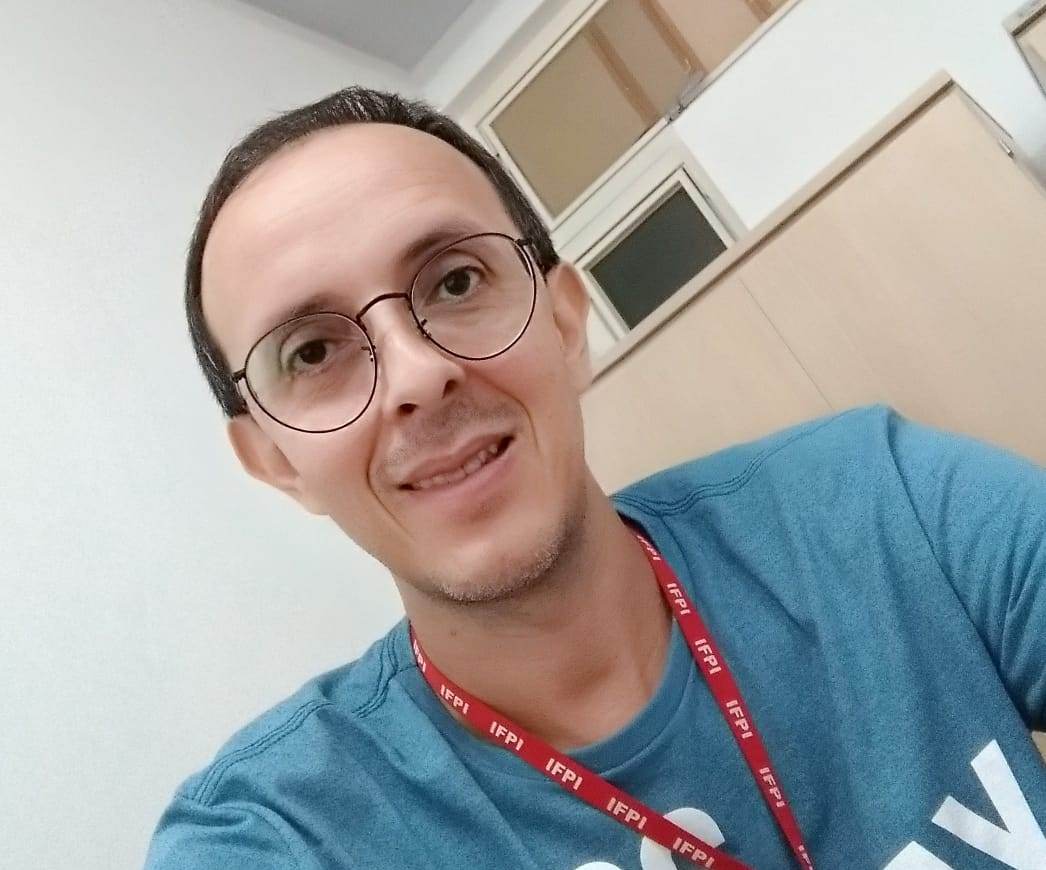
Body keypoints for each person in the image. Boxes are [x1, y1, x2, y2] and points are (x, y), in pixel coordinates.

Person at [144, 86, 1046, 870]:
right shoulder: (281, 833)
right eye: (312, 351)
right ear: (276, 462)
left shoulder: (880, 503)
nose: (418, 376)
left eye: (455, 282)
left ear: (567, 323)